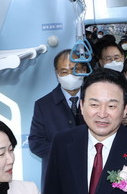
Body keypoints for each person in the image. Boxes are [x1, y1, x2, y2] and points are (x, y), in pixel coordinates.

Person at [28, 49, 88, 183]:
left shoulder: (95, 100)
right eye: (64, 72)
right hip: (58, 175)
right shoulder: (43, 105)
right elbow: (36, 143)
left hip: (92, 172)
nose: (70, 75)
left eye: (75, 70)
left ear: (83, 70)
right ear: (57, 73)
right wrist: (64, 153)